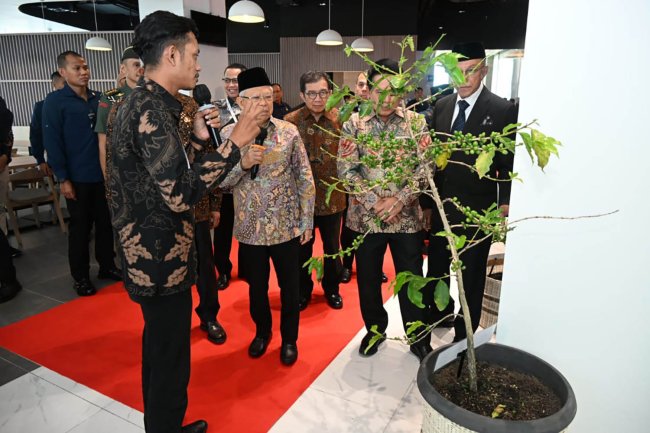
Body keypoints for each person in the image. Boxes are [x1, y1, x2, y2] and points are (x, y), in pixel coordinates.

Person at [106, 11, 263, 433]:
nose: (198, 64)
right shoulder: (149, 111)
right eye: (194, 54)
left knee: (160, 349)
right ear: (171, 54)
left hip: (156, 253)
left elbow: (164, 174)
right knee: (169, 354)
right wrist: (234, 143)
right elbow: (179, 194)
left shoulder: (147, 103)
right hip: (157, 258)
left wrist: (195, 139)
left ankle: (161, 426)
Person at [421, 42, 517, 342]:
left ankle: (464, 338)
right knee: (437, 267)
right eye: (456, 72)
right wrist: (427, 204)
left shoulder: (502, 110)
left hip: (478, 210)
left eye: (470, 71)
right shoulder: (442, 106)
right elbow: (432, 162)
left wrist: (505, 204)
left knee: (471, 275)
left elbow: (508, 163)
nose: (463, 79)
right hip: (442, 208)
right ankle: (439, 314)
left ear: (484, 71)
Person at [219, 67, 315, 366]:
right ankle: (262, 333)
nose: (264, 102)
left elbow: (304, 178)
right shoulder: (228, 135)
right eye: (256, 98)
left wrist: (307, 220)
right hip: (249, 229)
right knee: (256, 287)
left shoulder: (288, 131)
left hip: (286, 227)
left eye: (268, 96)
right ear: (241, 102)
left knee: (290, 287)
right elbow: (220, 182)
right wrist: (243, 163)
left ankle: (289, 339)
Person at [338, 59, 431, 362]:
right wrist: (373, 202)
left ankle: (418, 336)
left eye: (394, 92)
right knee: (367, 279)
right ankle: (375, 330)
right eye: (379, 91)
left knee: (411, 278)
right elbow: (346, 169)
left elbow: (426, 167)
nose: (387, 99)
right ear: (369, 90)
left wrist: (400, 200)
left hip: (406, 221)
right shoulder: (353, 124)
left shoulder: (416, 123)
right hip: (366, 220)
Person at [43, 51, 121, 297]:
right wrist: (63, 179)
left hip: (102, 175)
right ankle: (81, 276)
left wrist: (122, 85)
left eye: (85, 67)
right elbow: (52, 142)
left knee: (106, 224)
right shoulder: (55, 102)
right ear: (63, 73)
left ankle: (107, 265)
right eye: (77, 68)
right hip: (76, 178)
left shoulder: (99, 98)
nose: (84, 72)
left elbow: (120, 101)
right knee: (80, 230)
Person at [285, 71, 344, 311]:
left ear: (330, 93)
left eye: (323, 92)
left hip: (333, 198)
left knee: (332, 248)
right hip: (301, 201)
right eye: (311, 93)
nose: (318, 98)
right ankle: (302, 291)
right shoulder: (291, 121)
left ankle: (332, 289)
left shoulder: (342, 119)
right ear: (302, 94)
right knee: (301, 250)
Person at [340, 70, 388, 285]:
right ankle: (347, 266)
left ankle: (374, 269)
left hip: (396, 206)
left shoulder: (407, 119)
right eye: (359, 85)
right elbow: (346, 166)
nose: (363, 89)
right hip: (358, 199)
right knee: (350, 234)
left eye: (365, 85)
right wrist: (373, 201)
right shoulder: (348, 117)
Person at [212, 63, 246, 290]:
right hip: (223, 182)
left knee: (248, 229)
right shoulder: (213, 110)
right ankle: (223, 270)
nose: (232, 85)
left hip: (248, 180)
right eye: (228, 80)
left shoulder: (254, 108)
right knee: (222, 232)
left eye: (236, 80)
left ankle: (247, 268)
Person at [95, 46, 143, 178]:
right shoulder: (112, 96)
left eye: (143, 64)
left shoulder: (154, 95)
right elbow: (103, 139)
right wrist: (106, 175)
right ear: (123, 69)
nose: (141, 69)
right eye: (136, 65)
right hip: (122, 169)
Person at [29, 71, 65, 175]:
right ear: (54, 85)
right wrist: (40, 160)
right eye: (64, 84)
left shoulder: (79, 104)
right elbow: (35, 134)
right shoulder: (42, 107)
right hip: (57, 160)